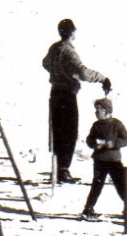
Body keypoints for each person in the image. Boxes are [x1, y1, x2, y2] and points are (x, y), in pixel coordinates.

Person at [43, 19, 111, 184]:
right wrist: (102, 79)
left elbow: (45, 63)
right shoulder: (69, 51)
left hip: (55, 93)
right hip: (67, 94)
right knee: (69, 132)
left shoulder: (54, 48)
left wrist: (57, 73)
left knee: (58, 131)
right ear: (72, 32)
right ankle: (63, 170)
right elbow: (82, 72)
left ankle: (58, 168)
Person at [79, 97, 127, 220]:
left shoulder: (116, 124)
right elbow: (89, 140)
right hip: (99, 161)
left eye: (99, 110)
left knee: (122, 185)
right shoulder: (95, 125)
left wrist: (112, 144)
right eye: (96, 110)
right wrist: (95, 143)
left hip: (114, 161)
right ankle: (88, 209)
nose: (96, 113)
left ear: (107, 111)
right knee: (97, 186)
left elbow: (126, 140)